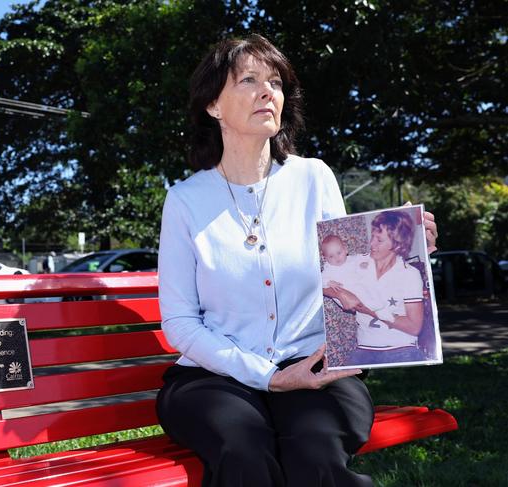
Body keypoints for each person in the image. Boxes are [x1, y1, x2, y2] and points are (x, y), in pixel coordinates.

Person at [156, 35, 437, 487]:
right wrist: (268, 377)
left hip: (317, 369)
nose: (269, 91)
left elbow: (353, 275)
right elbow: (181, 322)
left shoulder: (314, 177)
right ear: (212, 105)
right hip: (216, 377)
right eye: (249, 80)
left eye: (275, 82)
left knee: (316, 455)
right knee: (243, 451)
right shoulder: (185, 200)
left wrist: (407, 254)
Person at [325, 210, 427, 366]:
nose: (371, 243)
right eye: (372, 236)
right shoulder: (358, 261)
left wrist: (366, 308)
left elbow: (414, 327)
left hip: (401, 348)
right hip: (365, 348)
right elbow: (320, 283)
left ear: (396, 244)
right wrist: (339, 294)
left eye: (379, 240)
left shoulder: (409, 275)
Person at [320, 234, 388, 319]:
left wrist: (364, 263)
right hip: (346, 292)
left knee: (369, 283)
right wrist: (328, 282)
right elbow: (319, 281)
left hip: (357, 285)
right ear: (325, 258)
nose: (336, 258)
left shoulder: (352, 259)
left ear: (345, 250)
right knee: (361, 291)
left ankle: (380, 303)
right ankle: (376, 307)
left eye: (338, 253)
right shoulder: (329, 268)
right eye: (331, 256)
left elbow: (363, 258)